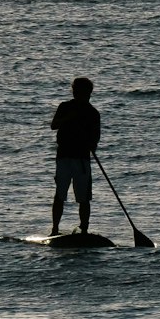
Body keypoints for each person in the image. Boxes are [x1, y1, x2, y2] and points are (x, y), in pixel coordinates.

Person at [50, 75, 101, 238]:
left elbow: (95, 139)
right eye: (76, 91)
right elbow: (54, 125)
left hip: (82, 160)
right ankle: (55, 229)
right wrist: (69, 118)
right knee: (60, 194)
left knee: (84, 197)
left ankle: (84, 229)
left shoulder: (93, 113)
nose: (78, 94)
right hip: (64, 157)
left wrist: (90, 144)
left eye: (82, 92)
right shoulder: (65, 107)